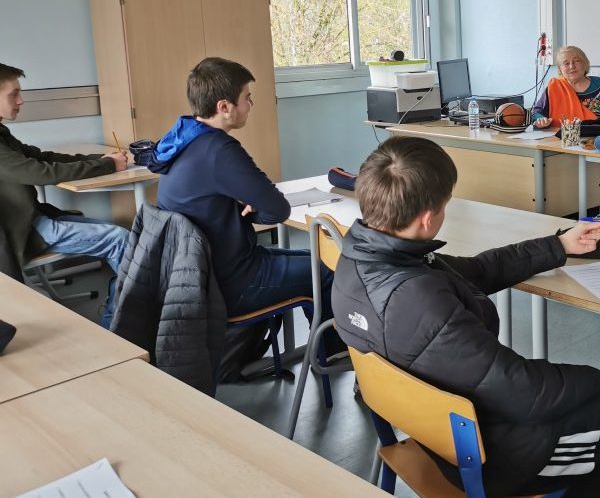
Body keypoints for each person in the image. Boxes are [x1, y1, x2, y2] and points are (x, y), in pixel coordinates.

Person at [332, 136, 600, 497]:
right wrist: (597, 380)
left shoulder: (363, 261)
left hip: (436, 435)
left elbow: (476, 270)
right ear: (427, 219)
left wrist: (560, 246)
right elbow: (525, 393)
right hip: (499, 455)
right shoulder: (418, 300)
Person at [151, 57, 344, 355]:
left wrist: (244, 201)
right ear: (224, 107)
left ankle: (320, 351)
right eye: (247, 98)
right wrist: (254, 207)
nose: (251, 105)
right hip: (231, 282)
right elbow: (277, 210)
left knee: (308, 257)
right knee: (326, 269)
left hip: (194, 277)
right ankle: (333, 356)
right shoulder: (220, 150)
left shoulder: (180, 141)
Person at [0, 63, 129, 325]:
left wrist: (101, 159)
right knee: (120, 239)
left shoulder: (1, 132)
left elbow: (41, 157)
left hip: (29, 221)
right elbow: (42, 173)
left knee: (118, 233)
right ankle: (118, 323)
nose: (21, 100)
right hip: (21, 230)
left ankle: (122, 313)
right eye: (13, 94)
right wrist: (105, 165)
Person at [532, 45, 600, 214]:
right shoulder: (555, 88)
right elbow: (537, 112)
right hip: (560, 152)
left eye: (576, 61)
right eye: (566, 63)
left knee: (591, 200)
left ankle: (595, 215)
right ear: (560, 69)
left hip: (596, 151)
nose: (571, 66)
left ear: (585, 64)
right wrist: (541, 120)